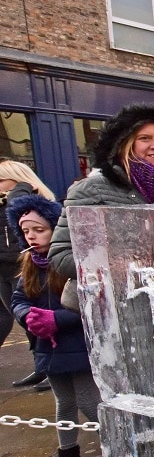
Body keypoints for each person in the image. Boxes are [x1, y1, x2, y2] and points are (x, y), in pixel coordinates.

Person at [8, 193, 104, 457]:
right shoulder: (28, 264)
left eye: (39, 229)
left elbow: (90, 302)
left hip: (75, 343)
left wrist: (57, 320)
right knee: (64, 402)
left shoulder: (68, 262)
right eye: (26, 231)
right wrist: (27, 316)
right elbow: (19, 298)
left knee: (90, 401)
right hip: (47, 346)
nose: (32, 236)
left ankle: (116, 450)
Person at [48, 104, 154, 279]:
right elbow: (61, 256)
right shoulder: (92, 190)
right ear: (125, 144)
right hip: (113, 302)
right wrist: (120, 267)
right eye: (145, 138)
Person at [0, 159, 56, 390]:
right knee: (19, 317)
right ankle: (41, 367)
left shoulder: (30, 202)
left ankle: (51, 368)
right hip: (2, 267)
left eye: (2, 179)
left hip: (23, 265)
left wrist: (18, 192)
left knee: (38, 316)